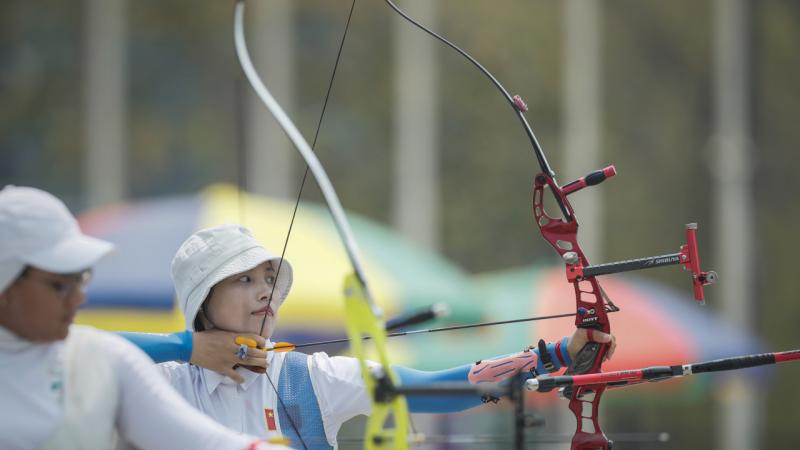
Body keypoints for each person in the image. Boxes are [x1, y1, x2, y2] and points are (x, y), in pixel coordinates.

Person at [122, 224, 616, 449]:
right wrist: (189, 348)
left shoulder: (305, 379)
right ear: (203, 302)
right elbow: (68, 349)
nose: (264, 292)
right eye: (243, 280)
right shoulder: (162, 383)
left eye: (268, 278)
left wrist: (559, 355)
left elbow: (436, 388)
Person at [0, 186, 293, 450]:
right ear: (7, 284)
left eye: (81, 279)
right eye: (59, 285)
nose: (78, 298)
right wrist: (188, 346)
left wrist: (189, 346)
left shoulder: (101, 359)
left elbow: (205, 441)